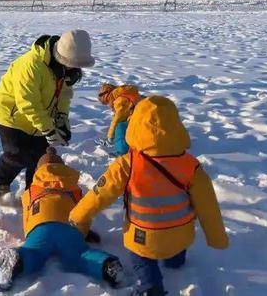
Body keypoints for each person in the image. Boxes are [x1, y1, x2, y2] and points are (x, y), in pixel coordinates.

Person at [69, 96, 229, 296]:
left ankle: (150, 288)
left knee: (141, 260)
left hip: (143, 237)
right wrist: (217, 238)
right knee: (175, 248)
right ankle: (175, 261)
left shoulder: (127, 164)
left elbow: (98, 196)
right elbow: (208, 206)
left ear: (135, 125)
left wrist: (77, 216)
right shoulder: (191, 166)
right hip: (181, 235)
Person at [0, 147, 124, 291]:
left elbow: (27, 217)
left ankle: (19, 258)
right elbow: (84, 211)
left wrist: (30, 234)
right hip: (69, 227)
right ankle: (106, 265)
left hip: (40, 227)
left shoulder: (30, 192)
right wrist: (83, 233)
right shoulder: (75, 190)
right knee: (80, 255)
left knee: (34, 253)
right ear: (63, 168)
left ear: (38, 171)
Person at [0, 30, 94, 197]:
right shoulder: (31, 65)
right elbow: (28, 103)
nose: (75, 68)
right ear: (61, 56)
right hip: (12, 113)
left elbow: (64, 96)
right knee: (17, 155)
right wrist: (48, 130)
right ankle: (1, 182)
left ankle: (34, 190)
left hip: (42, 113)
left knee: (40, 156)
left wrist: (61, 120)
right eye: (73, 64)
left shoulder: (66, 70)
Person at [98, 83, 143, 156]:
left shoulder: (120, 99)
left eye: (107, 102)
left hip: (142, 119)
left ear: (107, 96)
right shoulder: (126, 94)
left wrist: (110, 137)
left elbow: (118, 119)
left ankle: (122, 152)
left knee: (120, 127)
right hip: (145, 118)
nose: (109, 105)